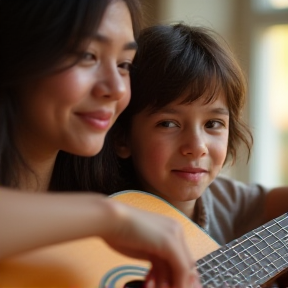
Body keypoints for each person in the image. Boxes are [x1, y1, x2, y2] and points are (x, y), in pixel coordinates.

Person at [0, 2, 201, 288]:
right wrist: (109, 218)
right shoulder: (113, 215)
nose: (117, 88)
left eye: (124, 65)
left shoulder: (124, 190)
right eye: (87, 55)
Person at [97, 23, 288, 246]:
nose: (197, 146)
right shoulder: (92, 219)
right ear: (122, 137)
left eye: (213, 123)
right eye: (168, 124)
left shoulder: (226, 200)